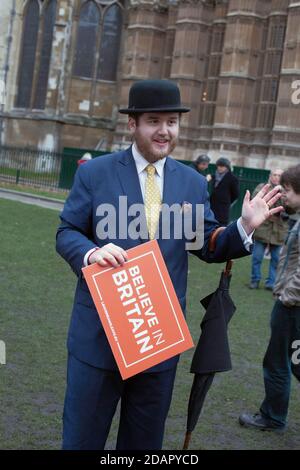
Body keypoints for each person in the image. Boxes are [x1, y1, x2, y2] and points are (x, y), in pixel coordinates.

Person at [56, 79, 282, 450]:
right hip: (98, 336)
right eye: (154, 121)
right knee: (82, 439)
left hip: (158, 338)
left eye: (172, 122)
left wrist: (243, 226)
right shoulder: (94, 173)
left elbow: (206, 244)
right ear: (133, 125)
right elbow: (67, 232)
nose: (165, 131)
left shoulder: (192, 183)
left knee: (144, 444)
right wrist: (90, 253)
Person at [239, 164, 300, 433]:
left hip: (292, 307)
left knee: (278, 361)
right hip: (291, 303)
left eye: (286, 190)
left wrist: (287, 296)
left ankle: (273, 417)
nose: (282, 194)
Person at [249, 169, 288, 290]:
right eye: (274, 175)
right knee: (257, 257)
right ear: (270, 176)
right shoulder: (262, 187)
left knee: (276, 259)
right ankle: (255, 280)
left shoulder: (287, 191)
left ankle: (271, 283)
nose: (276, 177)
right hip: (262, 227)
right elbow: (257, 202)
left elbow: (289, 208)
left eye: (279, 175)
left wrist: (282, 193)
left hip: (279, 229)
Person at [210, 157, 240, 225]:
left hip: (223, 209)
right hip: (212, 206)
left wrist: (227, 200)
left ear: (227, 167)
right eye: (218, 165)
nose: (219, 168)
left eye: (222, 166)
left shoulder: (232, 178)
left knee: (220, 227)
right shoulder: (215, 176)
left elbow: (236, 194)